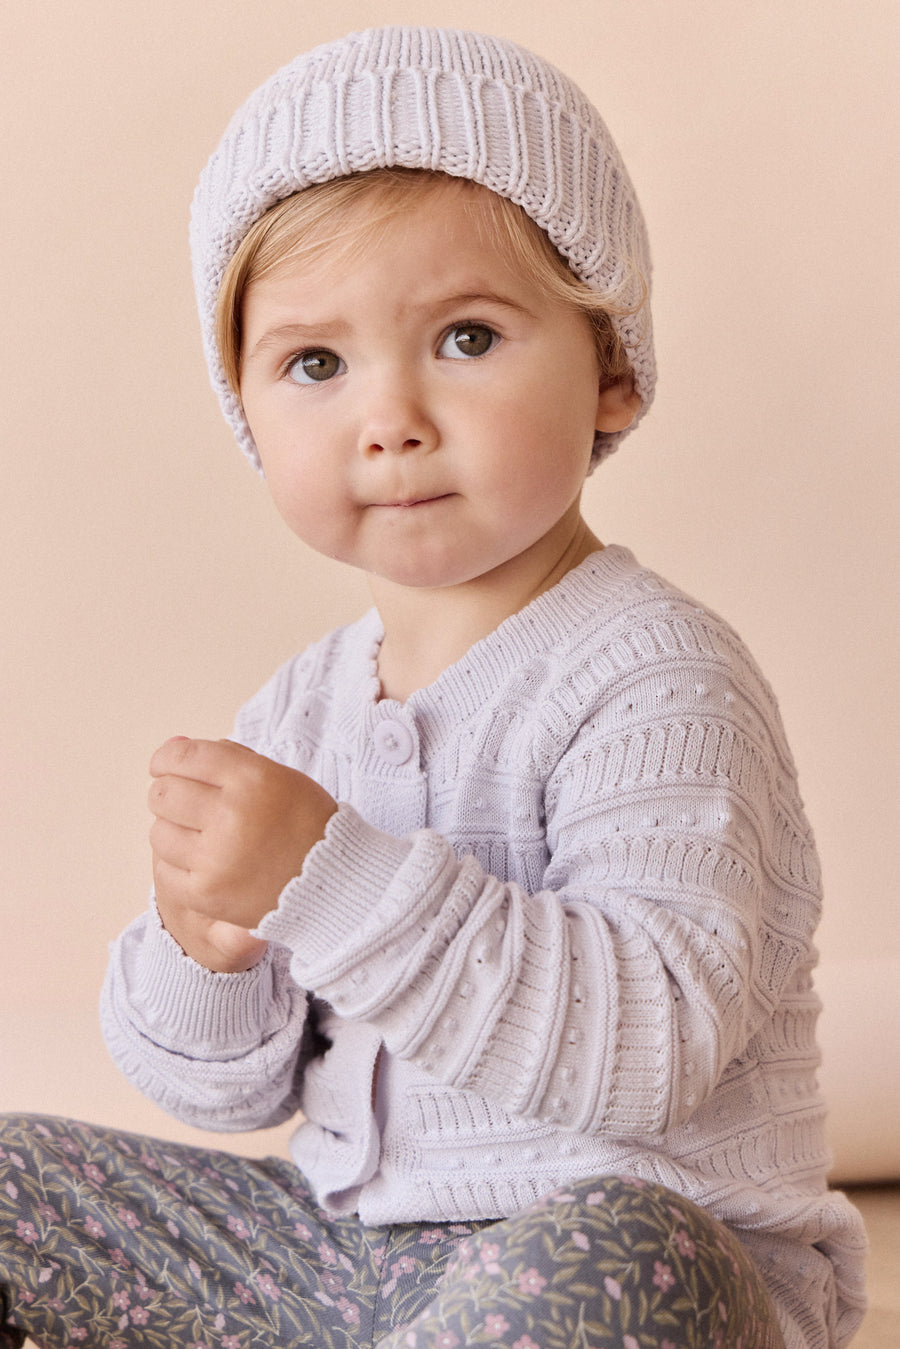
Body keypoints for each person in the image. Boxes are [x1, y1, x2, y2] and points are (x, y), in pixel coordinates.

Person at [0, 25, 867, 1349]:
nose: (390, 417)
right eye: (316, 364)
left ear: (612, 371)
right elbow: (223, 1094)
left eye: (467, 337)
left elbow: (642, 1048)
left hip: (624, 1261)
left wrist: (331, 877)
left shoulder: (660, 678)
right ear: (246, 410)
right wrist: (202, 947)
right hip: (344, 1259)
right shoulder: (302, 712)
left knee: (625, 1252)